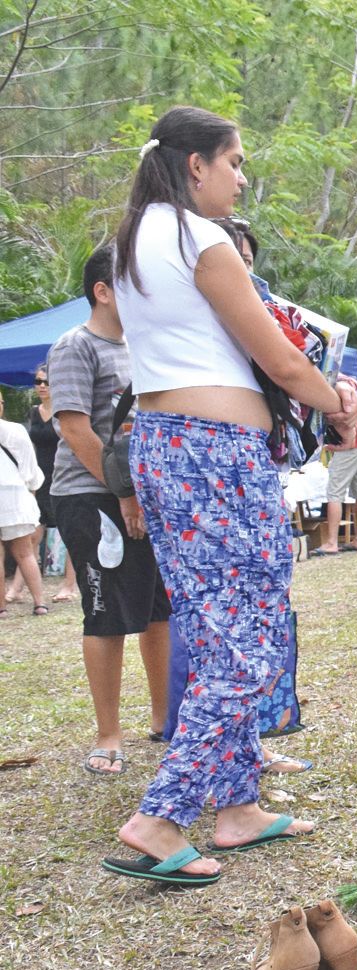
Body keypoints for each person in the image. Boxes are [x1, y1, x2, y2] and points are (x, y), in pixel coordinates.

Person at [106, 105, 357, 884]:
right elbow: (280, 360)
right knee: (248, 641)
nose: (241, 178)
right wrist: (340, 404)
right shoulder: (201, 238)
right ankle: (160, 816)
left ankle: (238, 806)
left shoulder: (128, 244)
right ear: (195, 166)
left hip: (164, 449)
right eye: (236, 162)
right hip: (216, 455)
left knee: (217, 630)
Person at [46, 244, 175, 776]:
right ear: (103, 292)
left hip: (142, 497)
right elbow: (76, 429)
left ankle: (166, 718)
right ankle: (108, 735)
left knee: (158, 609)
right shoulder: (76, 346)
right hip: (91, 496)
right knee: (107, 614)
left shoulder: (143, 346)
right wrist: (123, 492)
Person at [6, 367, 77, 604]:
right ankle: (16, 588)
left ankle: (69, 584)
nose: (41, 385)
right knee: (32, 535)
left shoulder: (64, 411)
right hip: (39, 476)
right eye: (37, 381)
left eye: (46, 381)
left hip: (63, 473)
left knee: (69, 532)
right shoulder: (33, 412)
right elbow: (28, 449)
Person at [315, 371, 357, 553]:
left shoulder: (337, 386)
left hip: (349, 446)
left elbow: (347, 417)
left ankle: (332, 542)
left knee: (334, 492)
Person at [0, 415, 48, 615]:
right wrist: (32, 487)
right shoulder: (16, 430)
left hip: (12, 493)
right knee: (25, 552)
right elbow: (29, 467)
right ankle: (39, 603)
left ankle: (1, 608)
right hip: (15, 494)